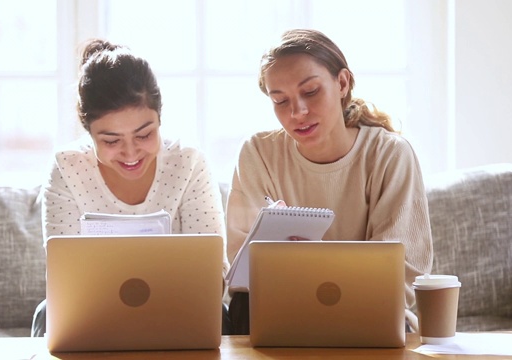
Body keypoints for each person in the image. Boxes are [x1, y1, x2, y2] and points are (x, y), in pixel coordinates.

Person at [225, 29, 433, 334]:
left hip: (367, 313)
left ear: (342, 83)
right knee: (244, 311)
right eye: (280, 100)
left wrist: (318, 264)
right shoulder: (258, 153)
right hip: (279, 311)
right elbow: (242, 270)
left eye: (310, 92)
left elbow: (402, 274)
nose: (298, 112)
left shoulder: (389, 154)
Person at [31, 39, 231, 337]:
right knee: (48, 312)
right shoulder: (66, 167)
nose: (130, 153)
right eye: (111, 141)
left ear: (159, 119)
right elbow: (63, 280)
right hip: (92, 314)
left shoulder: (188, 162)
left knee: (222, 315)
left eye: (144, 134)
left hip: (179, 310)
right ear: (89, 133)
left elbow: (214, 276)